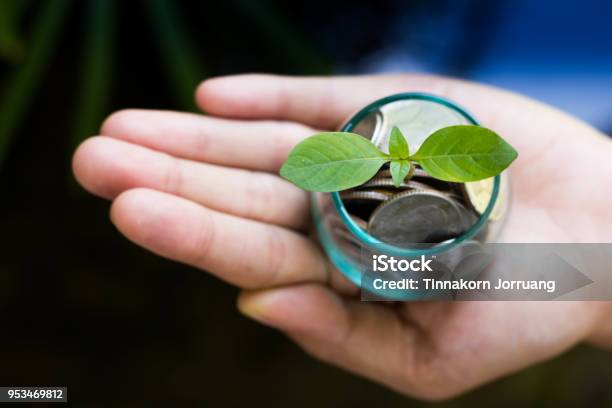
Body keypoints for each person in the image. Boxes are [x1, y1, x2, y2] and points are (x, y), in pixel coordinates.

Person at [72, 74, 612, 400]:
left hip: (413, 261)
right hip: (362, 245)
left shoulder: (485, 210)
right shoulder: (343, 201)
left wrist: (592, 265)